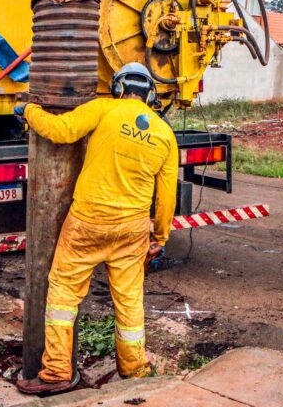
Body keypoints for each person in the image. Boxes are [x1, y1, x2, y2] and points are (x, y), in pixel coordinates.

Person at [15, 63, 179, 395]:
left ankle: (58, 371)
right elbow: (167, 198)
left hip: (88, 223)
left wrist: (30, 111)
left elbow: (61, 131)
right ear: (149, 94)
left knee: (63, 294)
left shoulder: (105, 108)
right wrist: (158, 238)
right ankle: (134, 369)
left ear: (119, 87)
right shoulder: (164, 134)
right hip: (132, 230)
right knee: (130, 300)